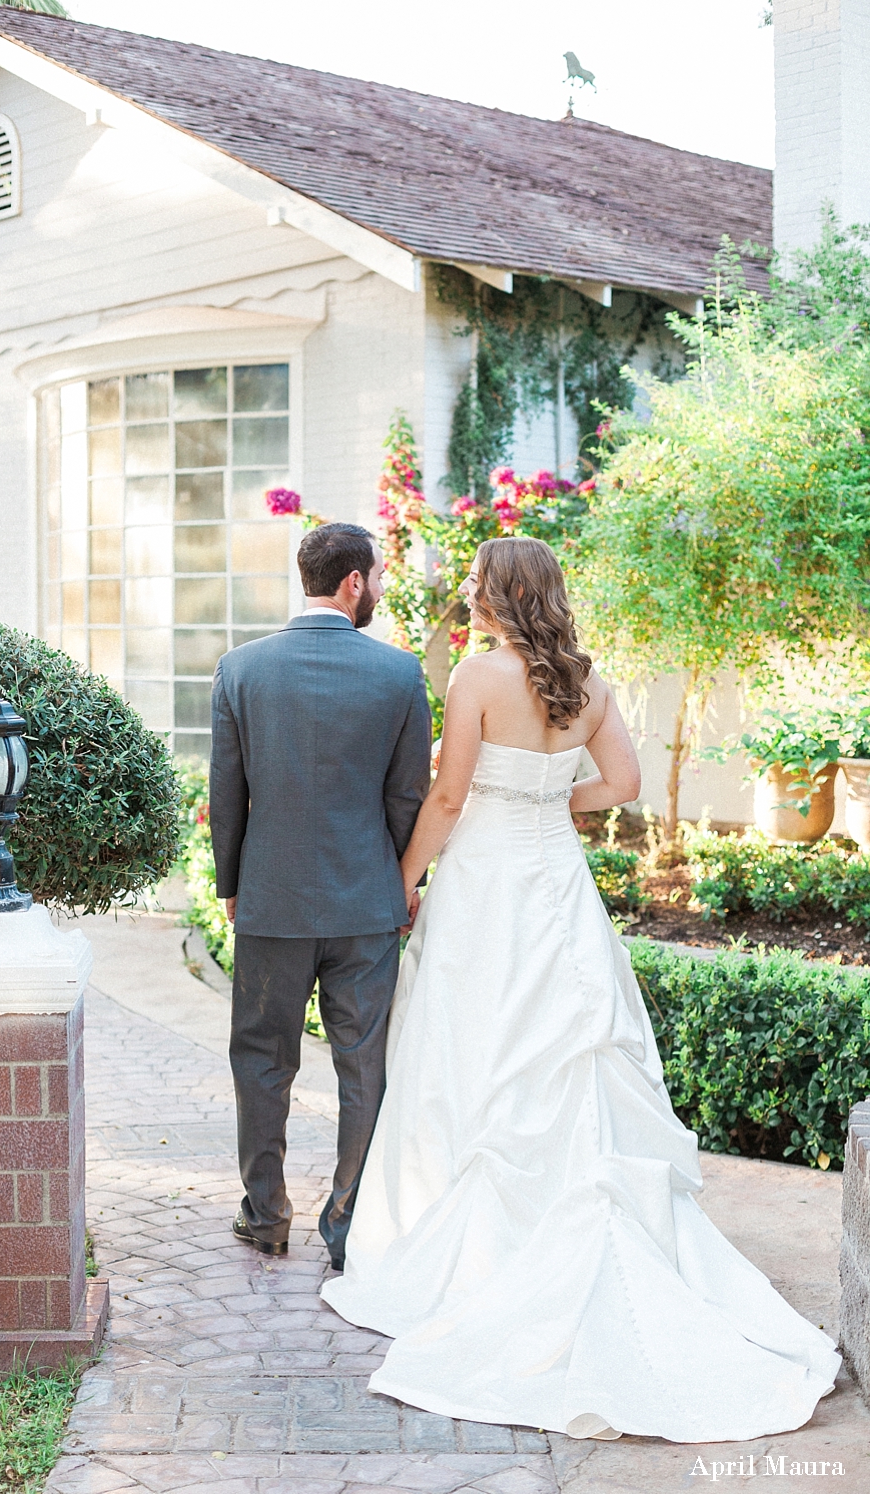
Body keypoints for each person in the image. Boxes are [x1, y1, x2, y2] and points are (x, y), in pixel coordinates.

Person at [322, 535, 839, 1442]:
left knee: (469, 1045)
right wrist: (550, 800)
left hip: (486, 883)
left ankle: (462, 1245)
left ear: (499, 598)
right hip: (553, 884)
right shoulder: (585, 681)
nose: (469, 594)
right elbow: (625, 783)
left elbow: (445, 802)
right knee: (569, 1041)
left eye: (477, 585)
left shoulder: (478, 679)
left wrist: (402, 880)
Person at [209, 522, 432, 1270]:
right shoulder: (400, 674)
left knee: (261, 1060)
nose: (379, 590)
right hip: (367, 906)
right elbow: (408, 799)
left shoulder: (240, 670)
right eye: (378, 577)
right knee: (363, 1066)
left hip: (272, 902)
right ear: (352, 584)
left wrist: (233, 887)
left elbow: (226, 794)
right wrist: (404, 884)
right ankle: (348, 1222)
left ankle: (266, 1215)